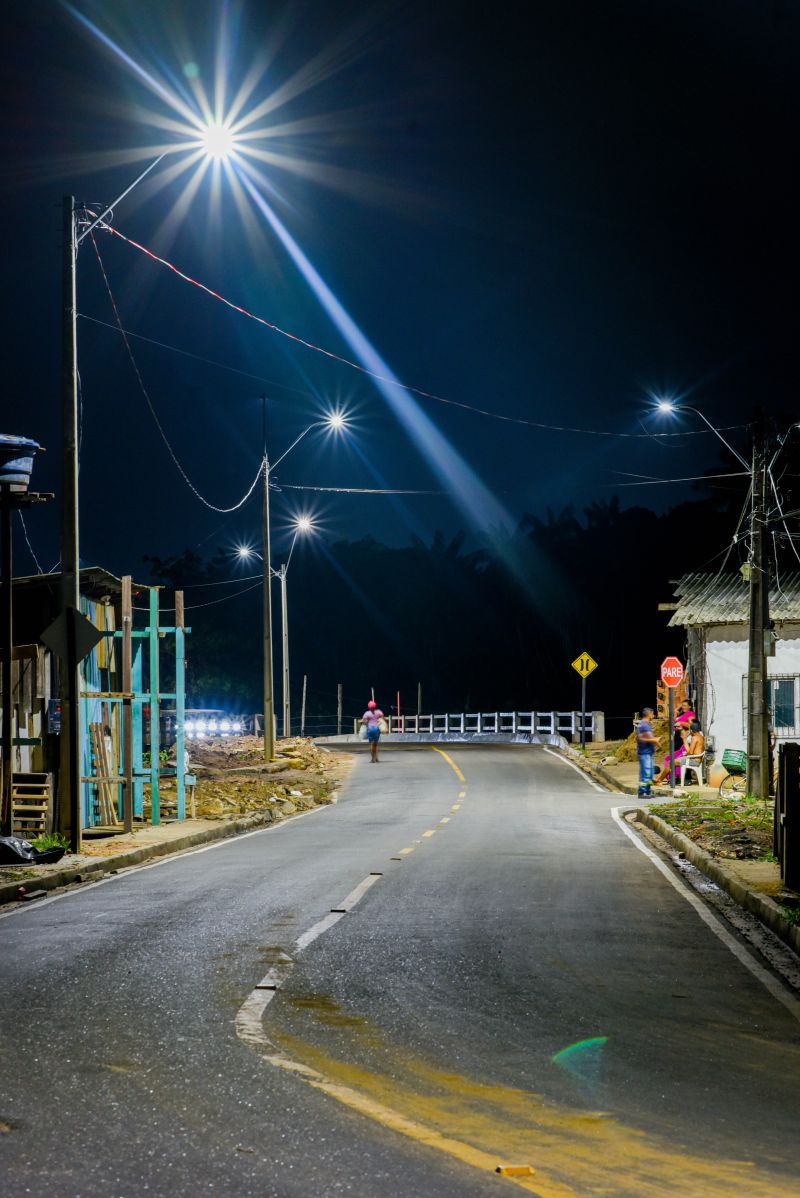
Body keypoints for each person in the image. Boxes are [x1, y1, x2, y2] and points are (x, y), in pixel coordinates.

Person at [653, 700, 696, 784]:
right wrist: (676, 712)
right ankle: (672, 777)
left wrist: (682, 723)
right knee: (672, 756)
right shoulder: (682, 714)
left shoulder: (690, 714)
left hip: (683, 737)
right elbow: (674, 722)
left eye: (685, 705)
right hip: (677, 735)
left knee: (677, 757)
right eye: (682, 705)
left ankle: (678, 777)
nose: (683, 707)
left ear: (690, 706)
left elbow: (691, 726)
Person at [636, 706, 659, 797]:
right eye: (652, 714)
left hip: (646, 752)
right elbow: (647, 738)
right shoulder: (645, 725)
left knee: (649, 772)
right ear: (649, 714)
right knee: (647, 773)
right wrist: (655, 740)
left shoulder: (642, 724)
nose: (653, 716)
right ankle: (642, 791)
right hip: (645, 752)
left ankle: (647, 791)